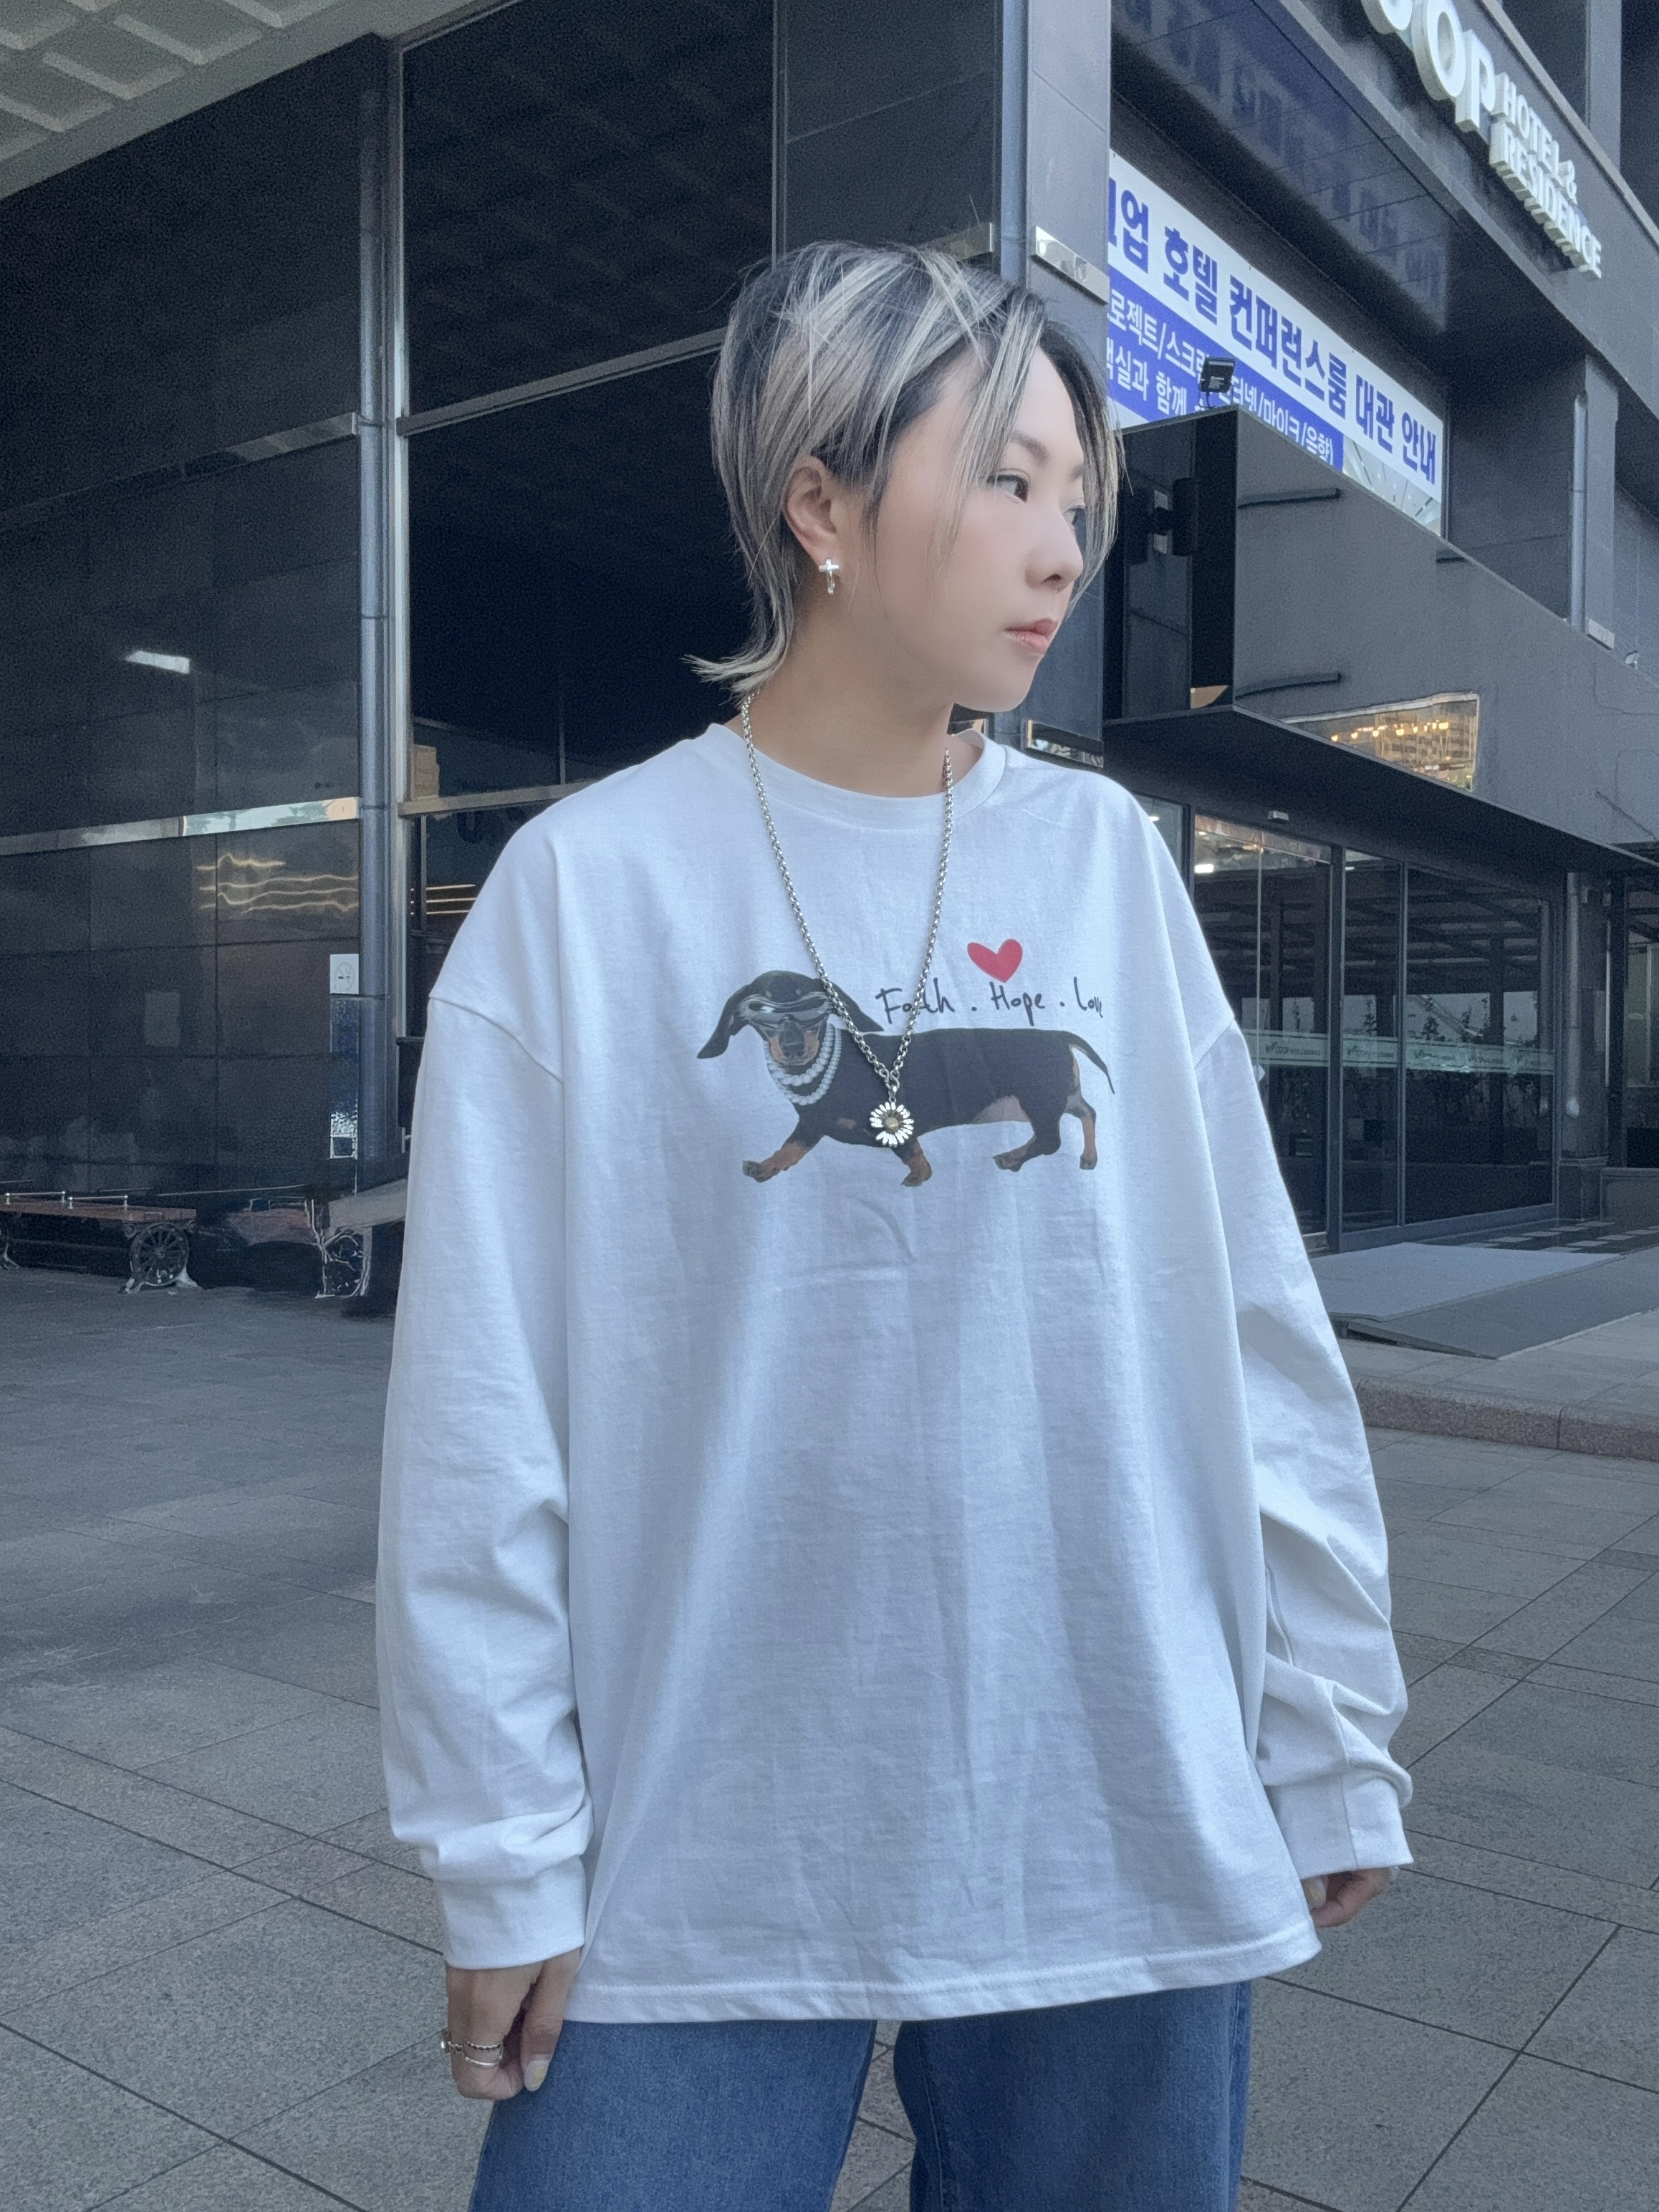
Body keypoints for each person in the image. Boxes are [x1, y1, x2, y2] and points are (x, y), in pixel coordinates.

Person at [376, 241, 1410, 2212]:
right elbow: (478, 1418)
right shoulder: (587, 891)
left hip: (1107, 1781)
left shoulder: (1103, 865)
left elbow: (1250, 1320)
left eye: (1079, 498)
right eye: (1006, 479)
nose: (1061, 548)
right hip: (702, 1820)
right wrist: (501, 1844)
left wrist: (1328, 1716)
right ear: (820, 503)